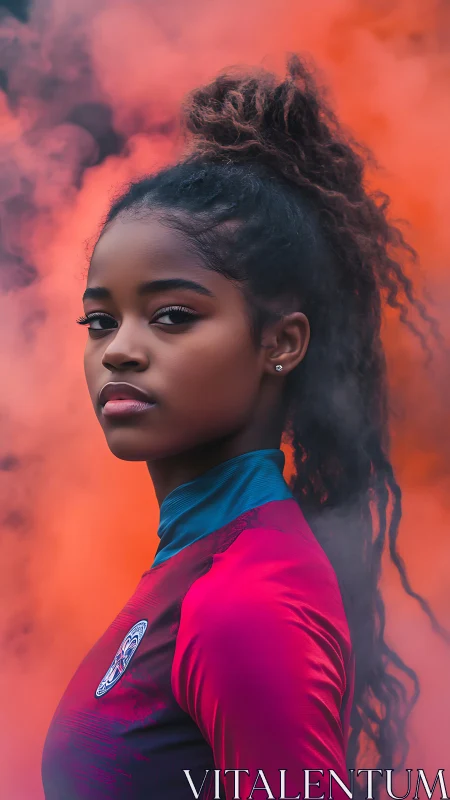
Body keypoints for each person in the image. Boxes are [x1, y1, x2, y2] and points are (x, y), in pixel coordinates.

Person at [41, 54, 443, 800]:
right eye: (100, 321)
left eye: (172, 315)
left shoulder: (244, 604)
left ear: (280, 343)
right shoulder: (201, 566)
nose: (119, 349)